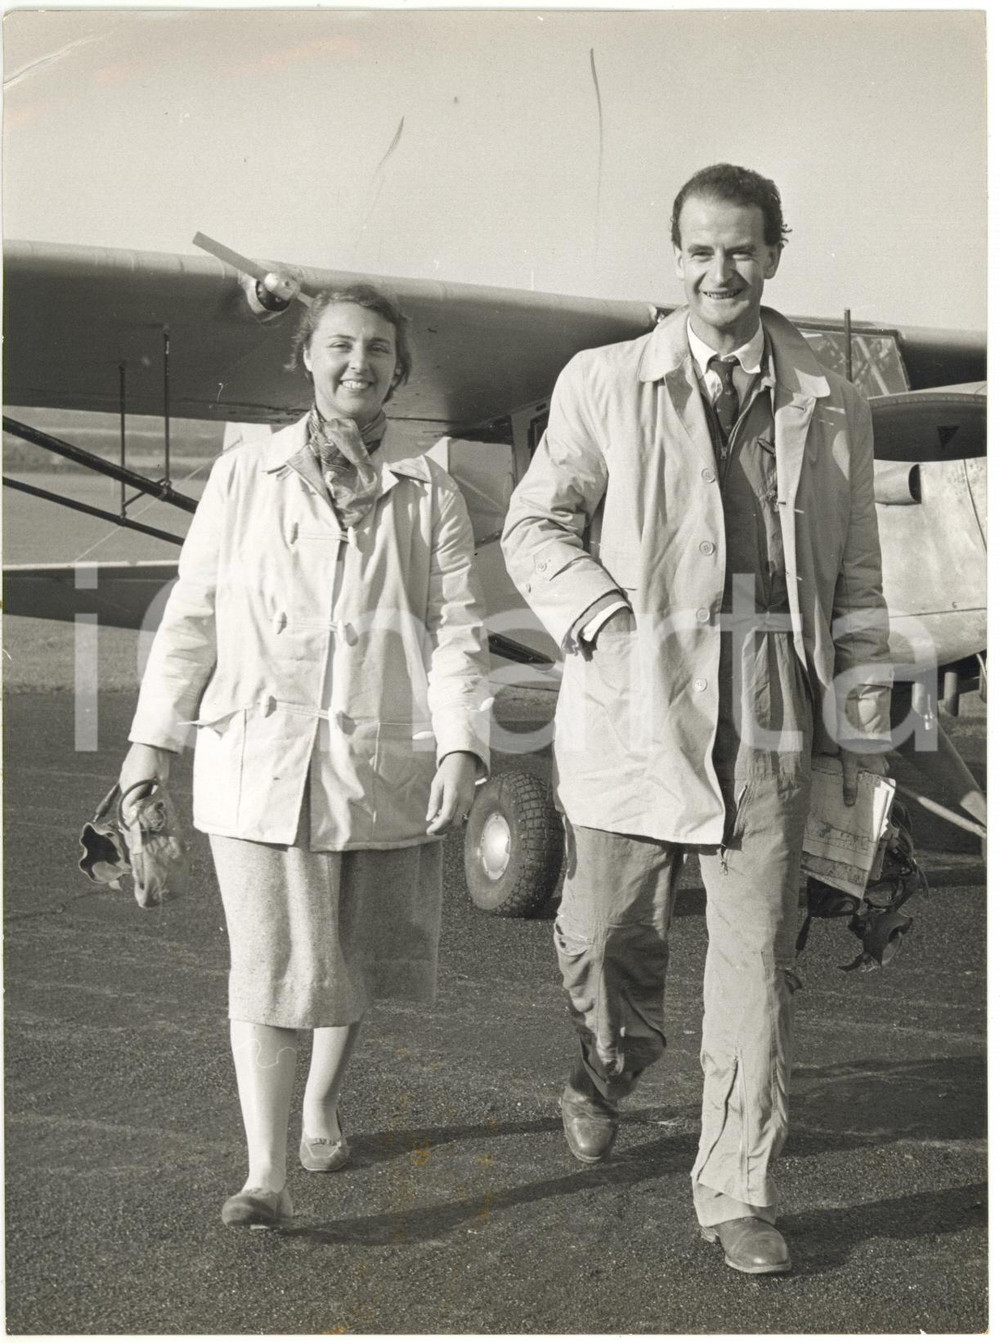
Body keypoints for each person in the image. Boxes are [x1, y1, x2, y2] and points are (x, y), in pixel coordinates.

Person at [502, 164, 890, 1275]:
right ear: (675, 257)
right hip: (636, 691)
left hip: (771, 695)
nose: (722, 271)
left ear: (775, 252)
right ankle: (602, 1067)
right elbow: (537, 527)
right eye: (701, 251)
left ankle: (735, 1189)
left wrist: (859, 677)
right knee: (607, 934)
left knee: (753, 961)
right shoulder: (604, 380)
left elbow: (855, 564)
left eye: (743, 249)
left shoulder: (830, 398)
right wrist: (609, 629)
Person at [121, 284, 490, 1229]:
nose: (357, 363)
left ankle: (322, 1102)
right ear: (307, 358)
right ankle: (264, 1173)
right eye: (338, 346)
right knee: (272, 962)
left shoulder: (432, 492)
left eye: (376, 349)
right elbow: (191, 615)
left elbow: (457, 630)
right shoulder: (246, 474)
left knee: (347, 955)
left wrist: (461, 744)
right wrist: (147, 746)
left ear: (399, 370)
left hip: (376, 758)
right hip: (260, 752)